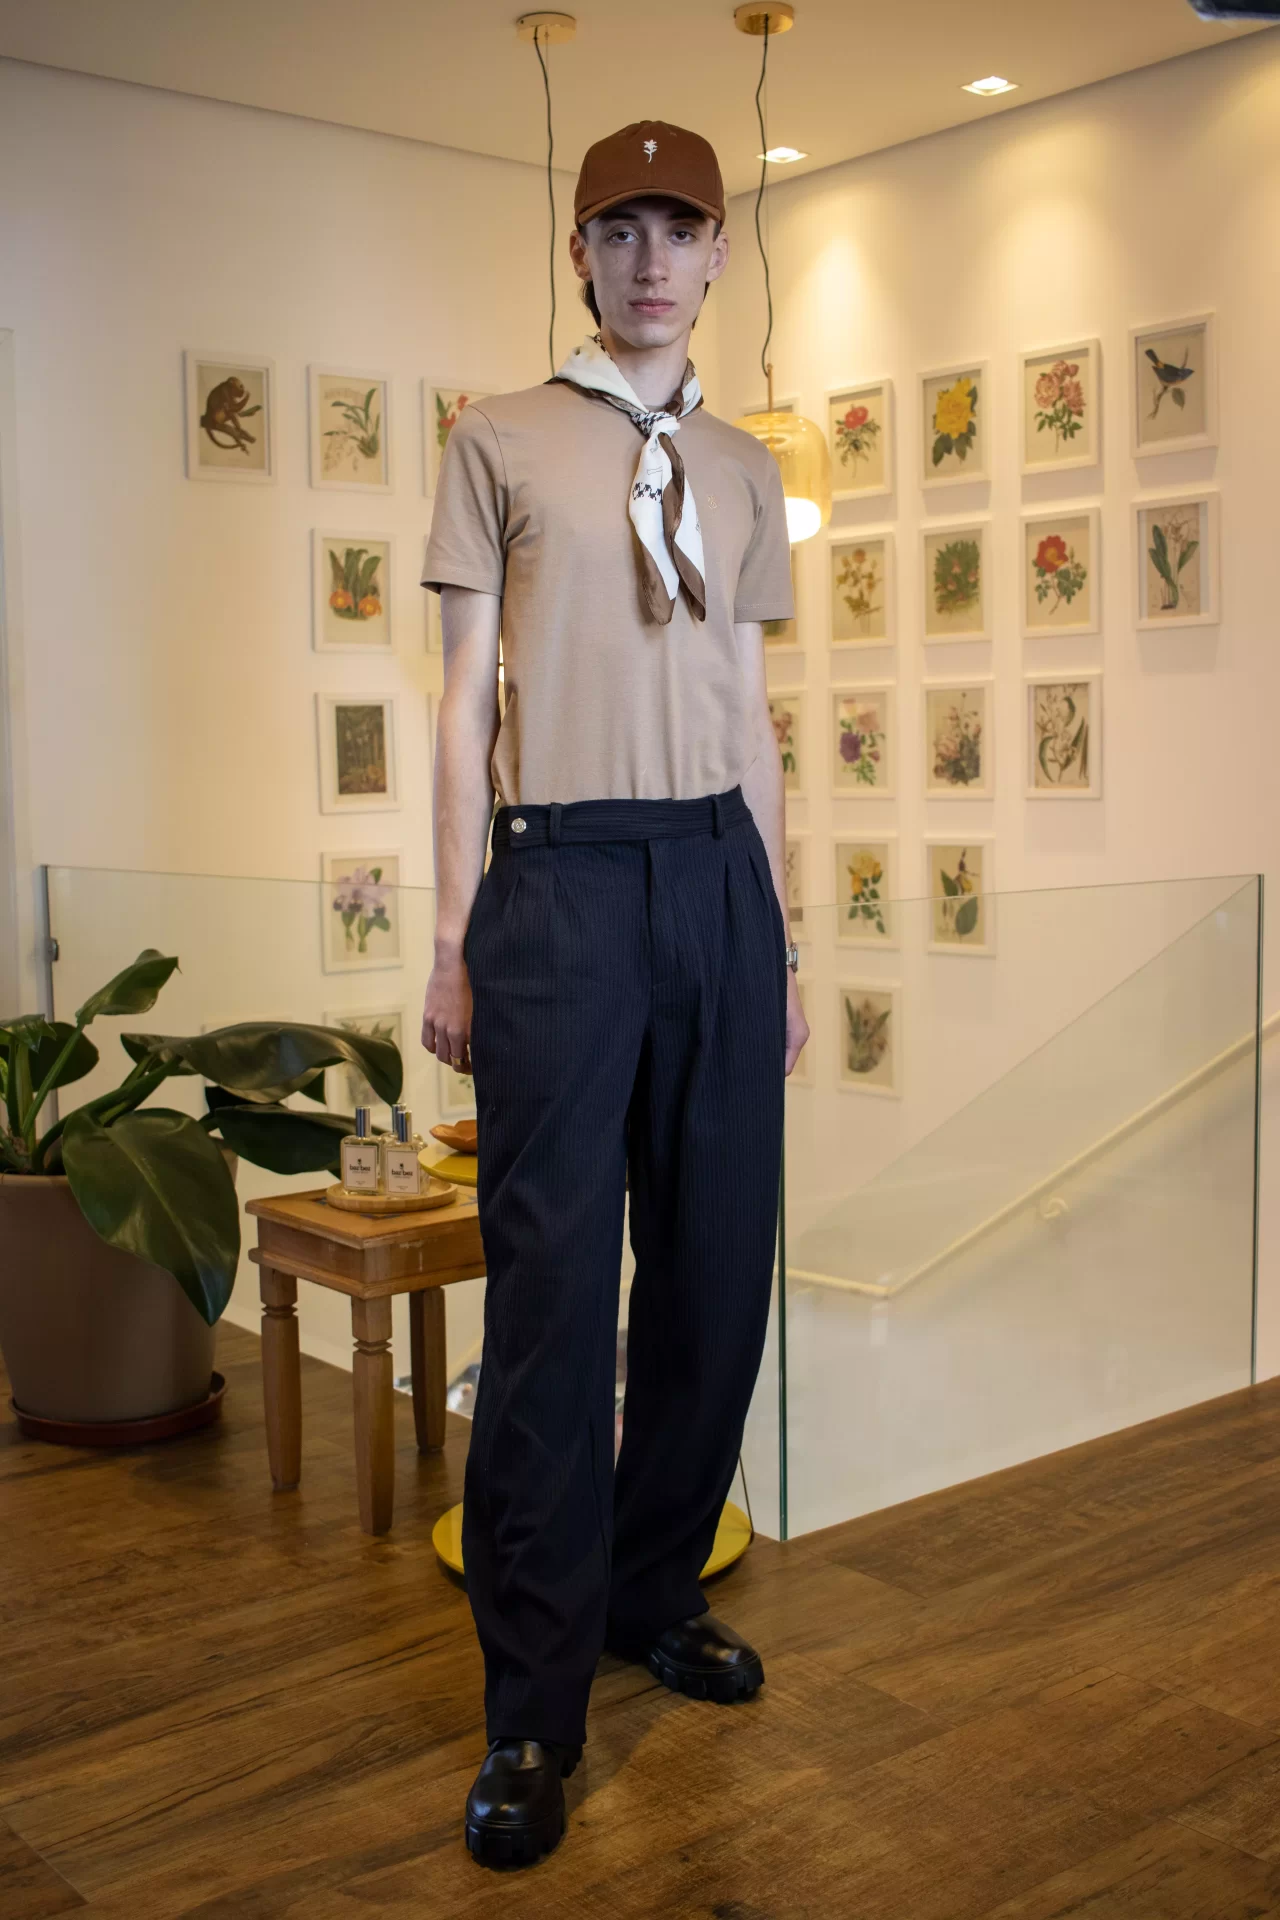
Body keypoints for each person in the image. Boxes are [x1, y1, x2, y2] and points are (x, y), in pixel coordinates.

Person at [419, 117, 809, 1871]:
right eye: (620, 229)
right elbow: (461, 703)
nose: (652, 260)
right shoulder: (497, 438)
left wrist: (778, 934)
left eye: (681, 230)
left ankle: (655, 1591)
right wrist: (454, 936)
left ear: (720, 254)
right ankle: (532, 1703)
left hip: (716, 871)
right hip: (560, 877)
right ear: (578, 254)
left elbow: (751, 712)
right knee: (558, 1306)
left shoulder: (742, 467)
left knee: (717, 1278)